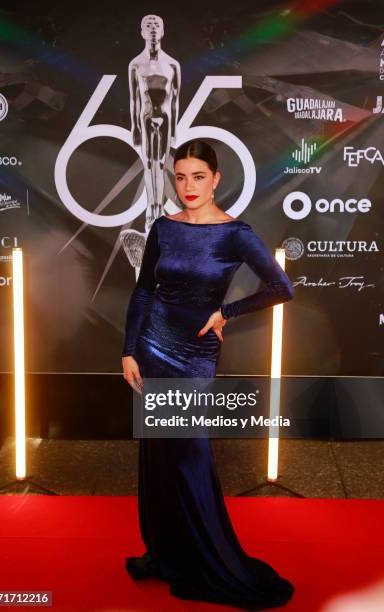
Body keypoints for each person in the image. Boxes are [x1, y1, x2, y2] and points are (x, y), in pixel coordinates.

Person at [121, 139, 295, 610]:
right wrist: (129, 350)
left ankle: (209, 562)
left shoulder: (234, 233)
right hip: (152, 349)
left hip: (194, 354)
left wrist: (226, 313)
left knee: (188, 455)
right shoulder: (162, 227)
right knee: (158, 455)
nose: (188, 186)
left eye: (198, 176)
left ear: (216, 179)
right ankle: (167, 554)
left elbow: (282, 287)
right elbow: (142, 292)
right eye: (180, 177)